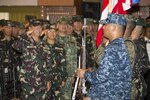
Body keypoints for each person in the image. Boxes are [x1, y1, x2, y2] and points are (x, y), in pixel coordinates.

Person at [76, 13, 132, 100]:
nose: (103, 27)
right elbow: (111, 76)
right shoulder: (121, 46)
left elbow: (101, 76)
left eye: (105, 25)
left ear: (113, 27)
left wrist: (84, 74)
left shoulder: (113, 49)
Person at [12, 19, 51, 100]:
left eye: (40, 27)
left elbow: (47, 64)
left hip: (42, 81)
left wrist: (48, 80)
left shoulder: (44, 45)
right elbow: (15, 45)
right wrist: (26, 33)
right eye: (35, 27)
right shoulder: (25, 41)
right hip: (28, 81)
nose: (38, 30)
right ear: (30, 28)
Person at [56, 16, 77, 100]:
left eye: (65, 24)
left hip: (68, 74)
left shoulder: (72, 39)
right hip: (56, 74)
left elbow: (74, 58)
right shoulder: (52, 37)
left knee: (67, 97)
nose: (64, 26)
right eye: (61, 24)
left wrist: (73, 74)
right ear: (57, 25)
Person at [45, 25, 67, 99]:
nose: (52, 33)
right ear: (46, 33)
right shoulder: (41, 46)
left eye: (54, 31)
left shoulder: (60, 47)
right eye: (50, 31)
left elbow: (63, 64)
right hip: (44, 79)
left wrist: (64, 78)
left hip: (57, 79)